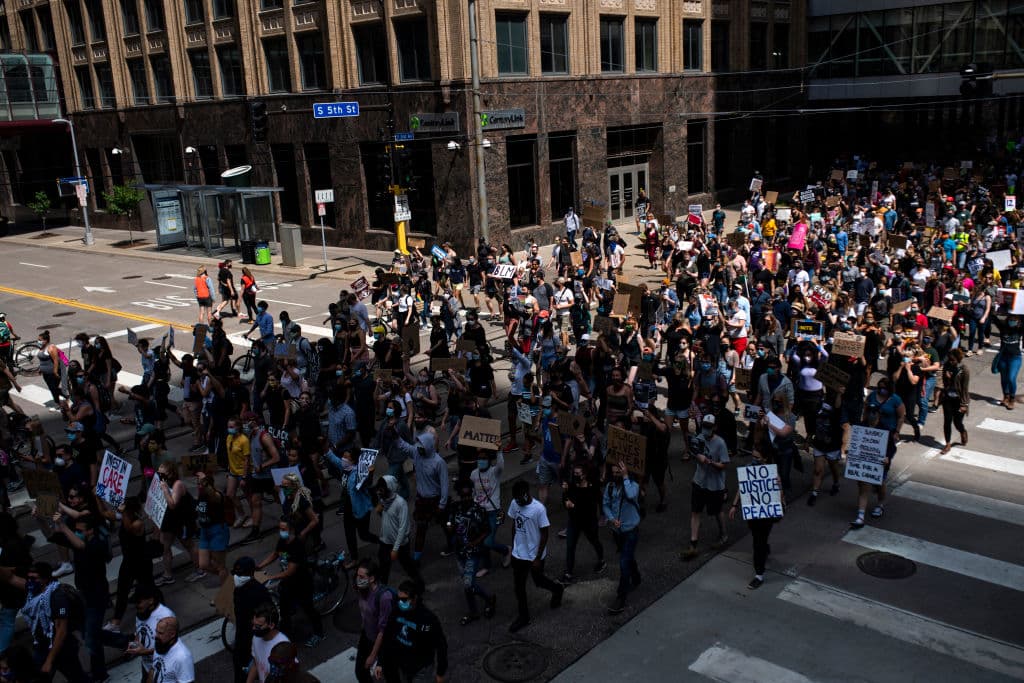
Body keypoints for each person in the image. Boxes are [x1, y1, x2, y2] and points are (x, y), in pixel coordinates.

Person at [54, 513, 108, 682]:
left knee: (91, 637)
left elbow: (80, 544)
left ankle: (100, 674)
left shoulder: (97, 544)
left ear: (91, 531)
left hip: (96, 595)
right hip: (83, 593)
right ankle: (123, 641)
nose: (76, 532)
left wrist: (63, 526)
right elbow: (58, 537)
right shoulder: (80, 539)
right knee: (90, 633)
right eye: (75, 530)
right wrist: (49, 520)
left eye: (80, 530)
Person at [255, 518, 324, 648]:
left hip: (301, 583)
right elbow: (275, 554)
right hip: (288, 584)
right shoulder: (282, 541)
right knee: (284, 610)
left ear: (291, 530)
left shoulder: (296, 545)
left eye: (283, 529)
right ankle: (286, 635)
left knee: (308, 609)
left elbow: (290, 571)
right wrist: (260, 566)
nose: (281, 532)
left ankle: (319, 633)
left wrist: (270, 577)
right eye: (280, 529)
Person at [16, 561, 89, 682]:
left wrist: (49, 660)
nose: (29, 581)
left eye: (33, 578)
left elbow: (61, 631)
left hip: (62, 648)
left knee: (77, 678)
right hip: (42, 646)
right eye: (28, 578)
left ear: (45, 579)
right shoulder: (34, 593)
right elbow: (10, 578)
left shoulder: (57, 596)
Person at [507, 480, 564, 633]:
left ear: (527, 493)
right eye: (517, 499)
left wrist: (538, 557)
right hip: (519, 553)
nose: (519, 501)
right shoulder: (514, 503)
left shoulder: (538, 509)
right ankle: (524, 616)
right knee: (519, 587)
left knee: (538, 581)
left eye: (521, 497)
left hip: (534, 554)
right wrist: (513, 549)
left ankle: (557, 589)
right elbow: (514, 525)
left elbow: (545, 533)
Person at [727, 445, 784, 590]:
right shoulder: (749, 469)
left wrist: (779, 486)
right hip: (753, 514)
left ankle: (759, 575)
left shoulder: (772, 472)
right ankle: (764, 549)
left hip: (766, 514)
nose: (754, 459)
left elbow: (780, 496)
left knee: (758, 542)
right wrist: (734, 505)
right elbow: (742, 488)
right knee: (758, 538)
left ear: (764, 458)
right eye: (752, 456)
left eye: (757, 457)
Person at [375, 580, 448, 683]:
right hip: (403, 666)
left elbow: (441, 645)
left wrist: (440, 672)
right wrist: (380, 662)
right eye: (398, 598)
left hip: (421, 669)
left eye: (404, 599)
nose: (400, 602)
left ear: (414, 598)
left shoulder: (428, 618)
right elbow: (388, 636)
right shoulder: (396, 611)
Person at [446, 479, 495, 625]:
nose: (466, 498)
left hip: (472, 553)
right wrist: (449, 527)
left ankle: (477, 609)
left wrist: (475, 542)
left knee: (468, 584)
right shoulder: (455, 508)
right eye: (463, 496)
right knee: (469, 584)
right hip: (459, 552)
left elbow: (487, 530)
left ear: (472, 494)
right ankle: (487, 600)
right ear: (460, 495)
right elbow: (450, 523)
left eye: (469, 495)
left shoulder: (479, 510)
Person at [682, 415, 730, 560]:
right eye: (704, 425)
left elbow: (724, 464)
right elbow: (693, 450)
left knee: (717, 511)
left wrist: (709, 462)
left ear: (714, 427)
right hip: (699, 482)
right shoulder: (699, 438)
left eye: (709, 426)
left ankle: (723, 534)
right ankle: (693, 543)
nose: (706, 429)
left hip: (715, 485)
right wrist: (697, 456)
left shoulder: (720, 443)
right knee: (695, 512)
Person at [601, 459, 641, 614]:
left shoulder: (632, 485)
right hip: (617, 532)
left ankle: (621, 597)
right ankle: (636, 577)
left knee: (624, 562)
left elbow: (631, 495)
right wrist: (611, 518)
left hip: (631, 530)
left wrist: (625, 477)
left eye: (619, 472)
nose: (616, 475)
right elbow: (605, 504)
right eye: (614, 473)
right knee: (628, 556)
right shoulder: (610, 487)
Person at [375, 475, 424, 590]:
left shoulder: (400, 504)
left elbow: (403, 528)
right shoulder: (384, 501)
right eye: (379, 488)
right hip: (385, 542)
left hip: (400, 544)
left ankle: (420, 586)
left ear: (390, 488)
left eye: (382, 489)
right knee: (383, 569)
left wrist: (395, 548)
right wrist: (379, 511)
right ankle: (382, 592)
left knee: (408, 566)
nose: (379, 492)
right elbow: (386, 518)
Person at [560, 461, 605, 585]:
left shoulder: (592, 487)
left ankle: (601, 560)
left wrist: (573, 506)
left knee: (594, 541)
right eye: (574, 473)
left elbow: (590, 506)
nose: (575, 476)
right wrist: (565, 496)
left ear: (584, 474)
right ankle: (568, 573)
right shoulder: (572, 484)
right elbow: (565, 499)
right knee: (570, 546)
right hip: (574, 521)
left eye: (578, 473)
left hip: (588, 521)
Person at [231, 557, 273, 683]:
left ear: (250, 573)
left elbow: (268, 616)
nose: (237, 577)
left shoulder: (260, 592)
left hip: (255, 639)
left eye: (241, 574)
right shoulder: (238, 589)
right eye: (236, 574)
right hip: (241, 639)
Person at [122, 585, 174, 683]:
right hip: (147, 663)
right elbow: (139, 632)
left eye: (139, 602)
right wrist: (134, 645)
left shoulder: (166, 618)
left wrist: (144, 652)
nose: (136, 606)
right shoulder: (141, 613)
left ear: (150, 601)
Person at [353, 560, 393, 683]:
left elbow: (383, 630)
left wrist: (372, 655)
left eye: (361, 577)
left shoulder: (384, 598)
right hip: (366, 635)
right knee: (360, 672)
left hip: (381, 642)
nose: (357, 579)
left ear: (372, 578)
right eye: (357, 576)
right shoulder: (361, 589)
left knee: (390, 675)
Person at [246, 604, 290, 683]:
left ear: (271, 625)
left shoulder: (283, 646)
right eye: (253, 624)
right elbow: (256, 663)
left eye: (258, 626)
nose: (253, 628)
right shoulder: (256, 638)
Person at [939, 348, 970, 454]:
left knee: (957, 422)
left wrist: (964, 404)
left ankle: (962, 431)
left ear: (958, 359)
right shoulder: (946, 366)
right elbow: (944, 382)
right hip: (948, 398)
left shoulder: (964, 370)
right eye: (949, 359)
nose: (951, 361)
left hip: (959, 400)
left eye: (953, 360)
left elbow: (965, 388)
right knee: (947, 421)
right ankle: (947, 444)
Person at [150, 615, 195, 682]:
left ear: (172, 634)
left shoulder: (182, 657)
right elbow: (153, 670)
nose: (155, 636)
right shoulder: (160, 644)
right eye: (156, 631)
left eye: (160, 633)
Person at [992, 313, 1023, 409]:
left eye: (1015, 320)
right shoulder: (1003, 327)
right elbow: (994, 318)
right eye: (1010, 319)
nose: (1012, 322)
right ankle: (1006, 396)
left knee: (1011, 378)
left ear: (1018, 322)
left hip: (1015, 358)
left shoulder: (1020, 330)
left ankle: (1012, 399)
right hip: (1003, 357)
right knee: (1004, 379)